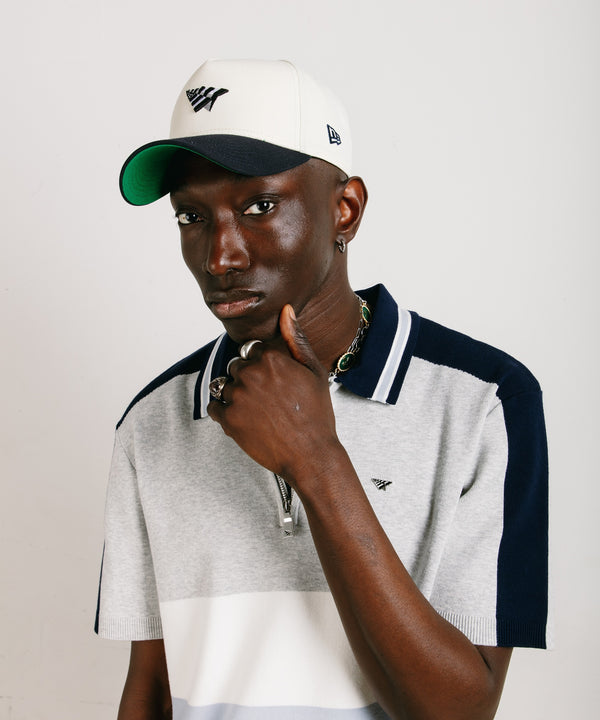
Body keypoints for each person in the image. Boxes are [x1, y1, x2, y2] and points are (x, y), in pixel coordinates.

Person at [95, 59, 549, 720]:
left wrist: (316, 459)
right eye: (192, 216)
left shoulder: (485, 402)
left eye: (259, 206)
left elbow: (461, 711)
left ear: (345, 209)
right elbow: (152, 688)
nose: (220, 256)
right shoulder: (153, 423)